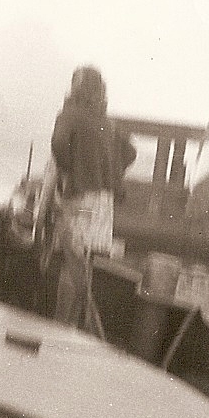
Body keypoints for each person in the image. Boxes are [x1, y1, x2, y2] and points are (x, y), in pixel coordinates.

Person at [48, 66, 135, 328]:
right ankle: (78, 324)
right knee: (86, 260)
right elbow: (130, 152)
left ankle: (62, 324)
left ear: (76, 88)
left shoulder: (69, 115)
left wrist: (71, 168)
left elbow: (58, 145)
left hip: (80, 198)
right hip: (103, 204)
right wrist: (110, 170)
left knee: (70, 258)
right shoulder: (108, 123)